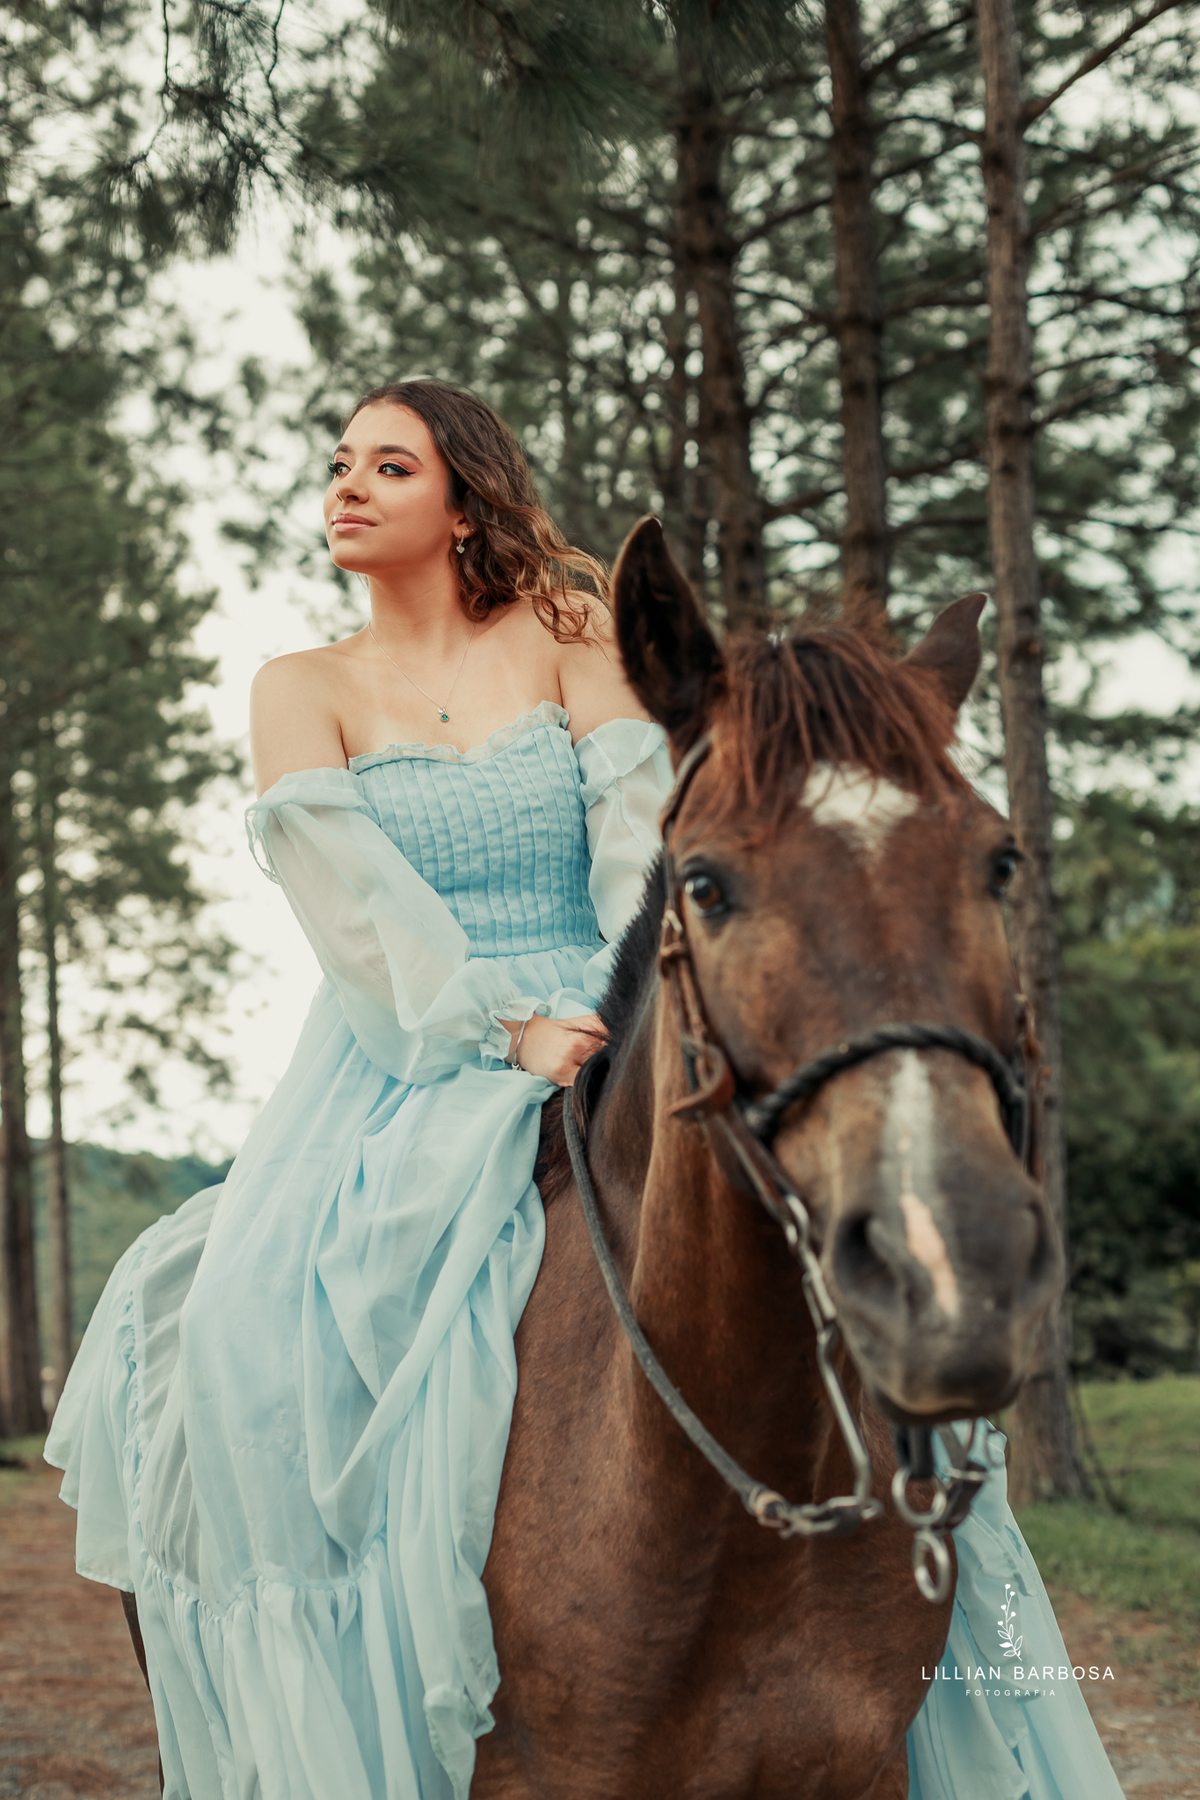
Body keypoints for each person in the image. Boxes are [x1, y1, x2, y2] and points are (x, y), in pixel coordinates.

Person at [47, 380, 1122, 1800]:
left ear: (468, 496)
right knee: (249, 1331)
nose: (346, 487)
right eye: (339, 464)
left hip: (616, 1003)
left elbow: (641, 840)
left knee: (812, 1237)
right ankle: (336, 1709)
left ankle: (908, 1557)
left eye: (389, 463)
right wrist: (497, 1032)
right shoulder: (299, 685)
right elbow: (349, 902)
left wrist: (618, 1008)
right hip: (402, 1042)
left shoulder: (567, 639)